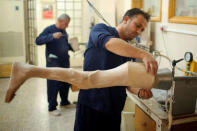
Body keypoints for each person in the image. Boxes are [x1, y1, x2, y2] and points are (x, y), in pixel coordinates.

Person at [74, 8, 157, 131]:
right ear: (126, 19)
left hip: (113, 110)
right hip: (92, 105)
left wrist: (139, 91)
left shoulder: (129, 50)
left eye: (142, 29)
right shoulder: (101, 29)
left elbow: (126, 82)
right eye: (137, 26)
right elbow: (109, 44)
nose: (139, 31)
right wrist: (144, 54)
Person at [35, 14, 73, 116]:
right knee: (53, 83)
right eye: (66, 24)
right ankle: (52, 107)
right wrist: (51, 36)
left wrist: (72, 46)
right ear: (60, 21)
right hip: (53, 61)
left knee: (65, 82)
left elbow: (64, 44)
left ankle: (64, 102)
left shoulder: (64, 31)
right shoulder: (49, 29)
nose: (67, 26)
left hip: (64, 61)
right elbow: (38, 41)